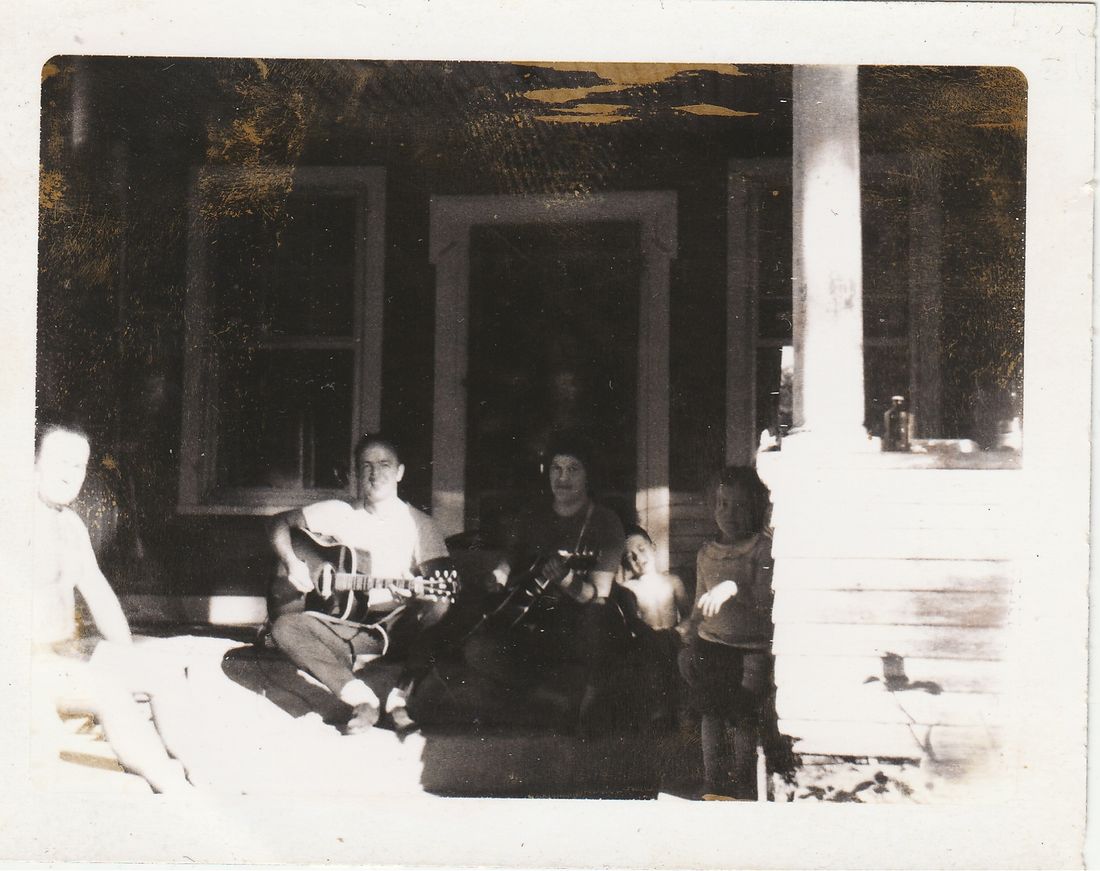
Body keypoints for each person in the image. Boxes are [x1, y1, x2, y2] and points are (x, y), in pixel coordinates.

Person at [31, 420, 195, 793]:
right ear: (33, 462)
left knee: (164, 671)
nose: (71, 475)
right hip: (26, 662)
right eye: (60, 462)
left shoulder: (70, 523)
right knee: (108, 689)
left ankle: (199, 770)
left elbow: (99, 593)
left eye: (79, 466)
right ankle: (171, 784)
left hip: (69, 652)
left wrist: (128, 659)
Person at [268, 433, 449, 734]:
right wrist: (291, 562)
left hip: (392, 628)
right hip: (342, 624)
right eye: (366, 466)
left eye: (384, 465)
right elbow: (277, 523)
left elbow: (439, 588)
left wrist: (414, 594)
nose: (374, 473)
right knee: (284, 627)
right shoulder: (339, 512)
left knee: (439, 606)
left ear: (400, 472)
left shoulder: (420, 525)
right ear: (355, 473)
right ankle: (361, 699)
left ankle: (400, 696)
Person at [469, 431, 628, 731]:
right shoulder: (532, 517)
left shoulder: (606, 521)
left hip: (579, 627)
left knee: (600, 620)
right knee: (478, 648)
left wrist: (566, 579)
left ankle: (572, 706)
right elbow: (509, 560)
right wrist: (499, 575)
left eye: (573, 469)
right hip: (535, 624)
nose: (563, 477)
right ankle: (552, 699)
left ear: (588, 475)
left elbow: (597, 597)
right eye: (557, 468)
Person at [678, 465, 774, 800]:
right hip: (712, 646)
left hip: (751, 650)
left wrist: (732, 587)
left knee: (744, 717)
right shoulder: (707, 553)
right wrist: (688, 641)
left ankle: (743, 782)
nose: (729, 514)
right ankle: (713, 782)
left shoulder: (762, 550)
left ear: (755, 508)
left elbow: (765, 602)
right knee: (712, 714)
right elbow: (696, 609)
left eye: (739, 505)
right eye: (722, 504)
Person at [615, 525, 692, 724]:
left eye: (641, 550)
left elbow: (688, 614)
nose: (638, 559)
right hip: (647, 643)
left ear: (653, 547)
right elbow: (633, 622)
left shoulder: (673, 581)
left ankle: (683, 714)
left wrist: (680, 629)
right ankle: (658, 715)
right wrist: (654, 636)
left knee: (683, 663)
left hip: (674, 637)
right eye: (630, 556)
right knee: (653, 670)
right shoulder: (628, 588)